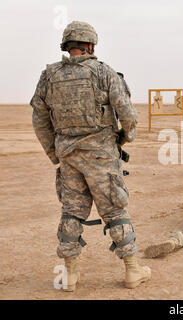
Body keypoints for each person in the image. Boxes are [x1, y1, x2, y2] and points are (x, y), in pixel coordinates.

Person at [30, 21, 150, 291]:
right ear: (91, 45)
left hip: (68, 155)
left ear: (66, 45)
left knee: (71, 210)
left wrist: (54, 152)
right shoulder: (104, 73)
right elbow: (128, 114)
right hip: (101, 156)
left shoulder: (49, 76)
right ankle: (132, 271)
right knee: (115, 210)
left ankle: (70, 276)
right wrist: (124, 137)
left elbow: (39, 120)